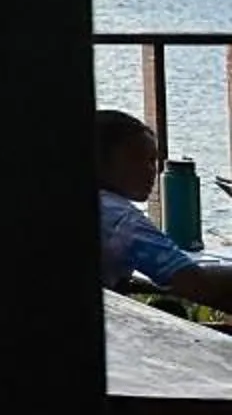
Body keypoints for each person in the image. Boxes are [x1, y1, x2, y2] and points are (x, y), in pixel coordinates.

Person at [99, 108, 232, 309]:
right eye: (136, 159)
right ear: (99, 160)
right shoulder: (123, 220)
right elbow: (196, 283)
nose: (151, 170)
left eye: (153, 160)